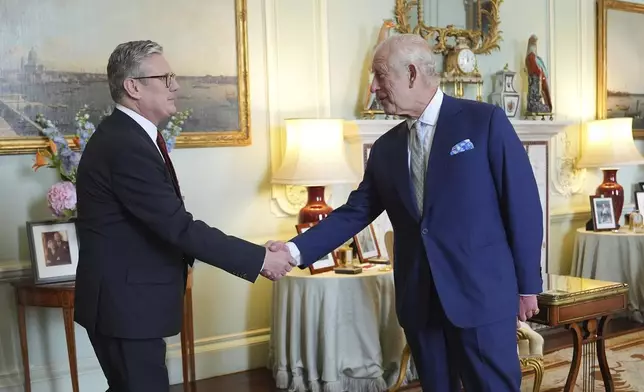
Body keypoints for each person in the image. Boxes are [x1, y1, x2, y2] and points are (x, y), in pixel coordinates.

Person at [267, 33, 543, 391]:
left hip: (482, 298)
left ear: (412, 74)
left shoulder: (484, 122)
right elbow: (355, 212)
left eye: (381, 76)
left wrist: (527, 286)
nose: (374, 87)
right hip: (420, 302)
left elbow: (522, 205)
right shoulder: (385, 149)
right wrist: (292, 250)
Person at [74, 40, 295, 392]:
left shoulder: (130, 136)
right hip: (124, 309)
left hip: (128, 305)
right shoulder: (125, 145)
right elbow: (177, 226)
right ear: (133, 87)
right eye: (165, 77)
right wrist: (259, 259)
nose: (176, 85)